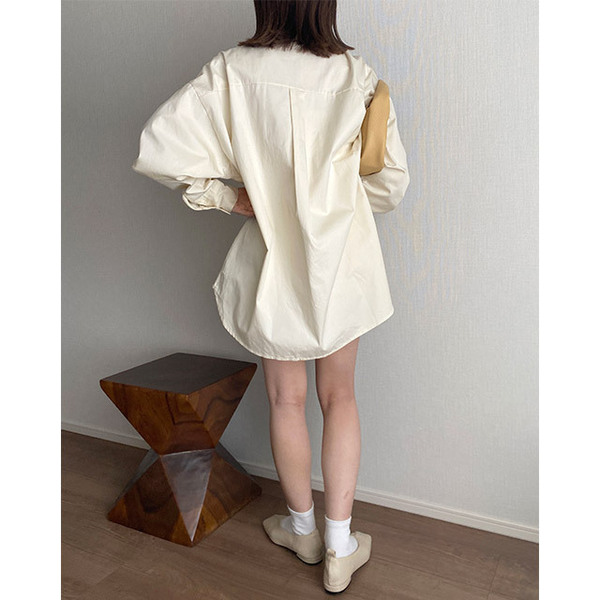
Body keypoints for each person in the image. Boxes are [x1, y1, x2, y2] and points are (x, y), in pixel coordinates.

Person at [131, 0, 410, 593]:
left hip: (273, 261)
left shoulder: (232, 71)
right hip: (341, 262)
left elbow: (159, 147)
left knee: (286, 399)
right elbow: (388, 186)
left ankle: (301, 528)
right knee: (340, 397)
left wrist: (233, 197)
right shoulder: (354, 75)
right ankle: (340, 546)